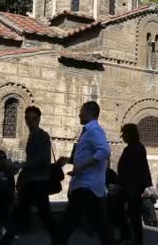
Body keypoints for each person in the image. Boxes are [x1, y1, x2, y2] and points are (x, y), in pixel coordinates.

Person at [0, 106, 62, 245]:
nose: (30, 121)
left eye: (33, 118)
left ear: (39, 119)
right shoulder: (32, 135)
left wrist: (22, 165)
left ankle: (5, 241)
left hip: (38, 181)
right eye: (27, 118)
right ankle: (58, 240)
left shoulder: (42, 135)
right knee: (43, 215)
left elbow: (43, 159)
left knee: (23, 213)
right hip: (32, 182)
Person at [56, 101, 113, 245]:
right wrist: (69, 160)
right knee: (99, 224)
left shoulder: (94, 130)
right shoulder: (89, 131)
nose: (79, 114)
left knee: (68, 223)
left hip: (87, 185)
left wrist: (81, 168)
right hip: (86, 186)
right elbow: (87, 155)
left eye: (81, 111)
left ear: (89, 112)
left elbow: (104, 151)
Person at [118, 123, 153, 245]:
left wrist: (145, 186)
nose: (122, 136)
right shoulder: (129, 148)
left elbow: (140, 168)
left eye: (124, 133)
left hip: (133, 187)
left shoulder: (138, 148)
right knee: (128, 213)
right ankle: (128, 236)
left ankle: (137, 240)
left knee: (134, 215)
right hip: (127, 186)